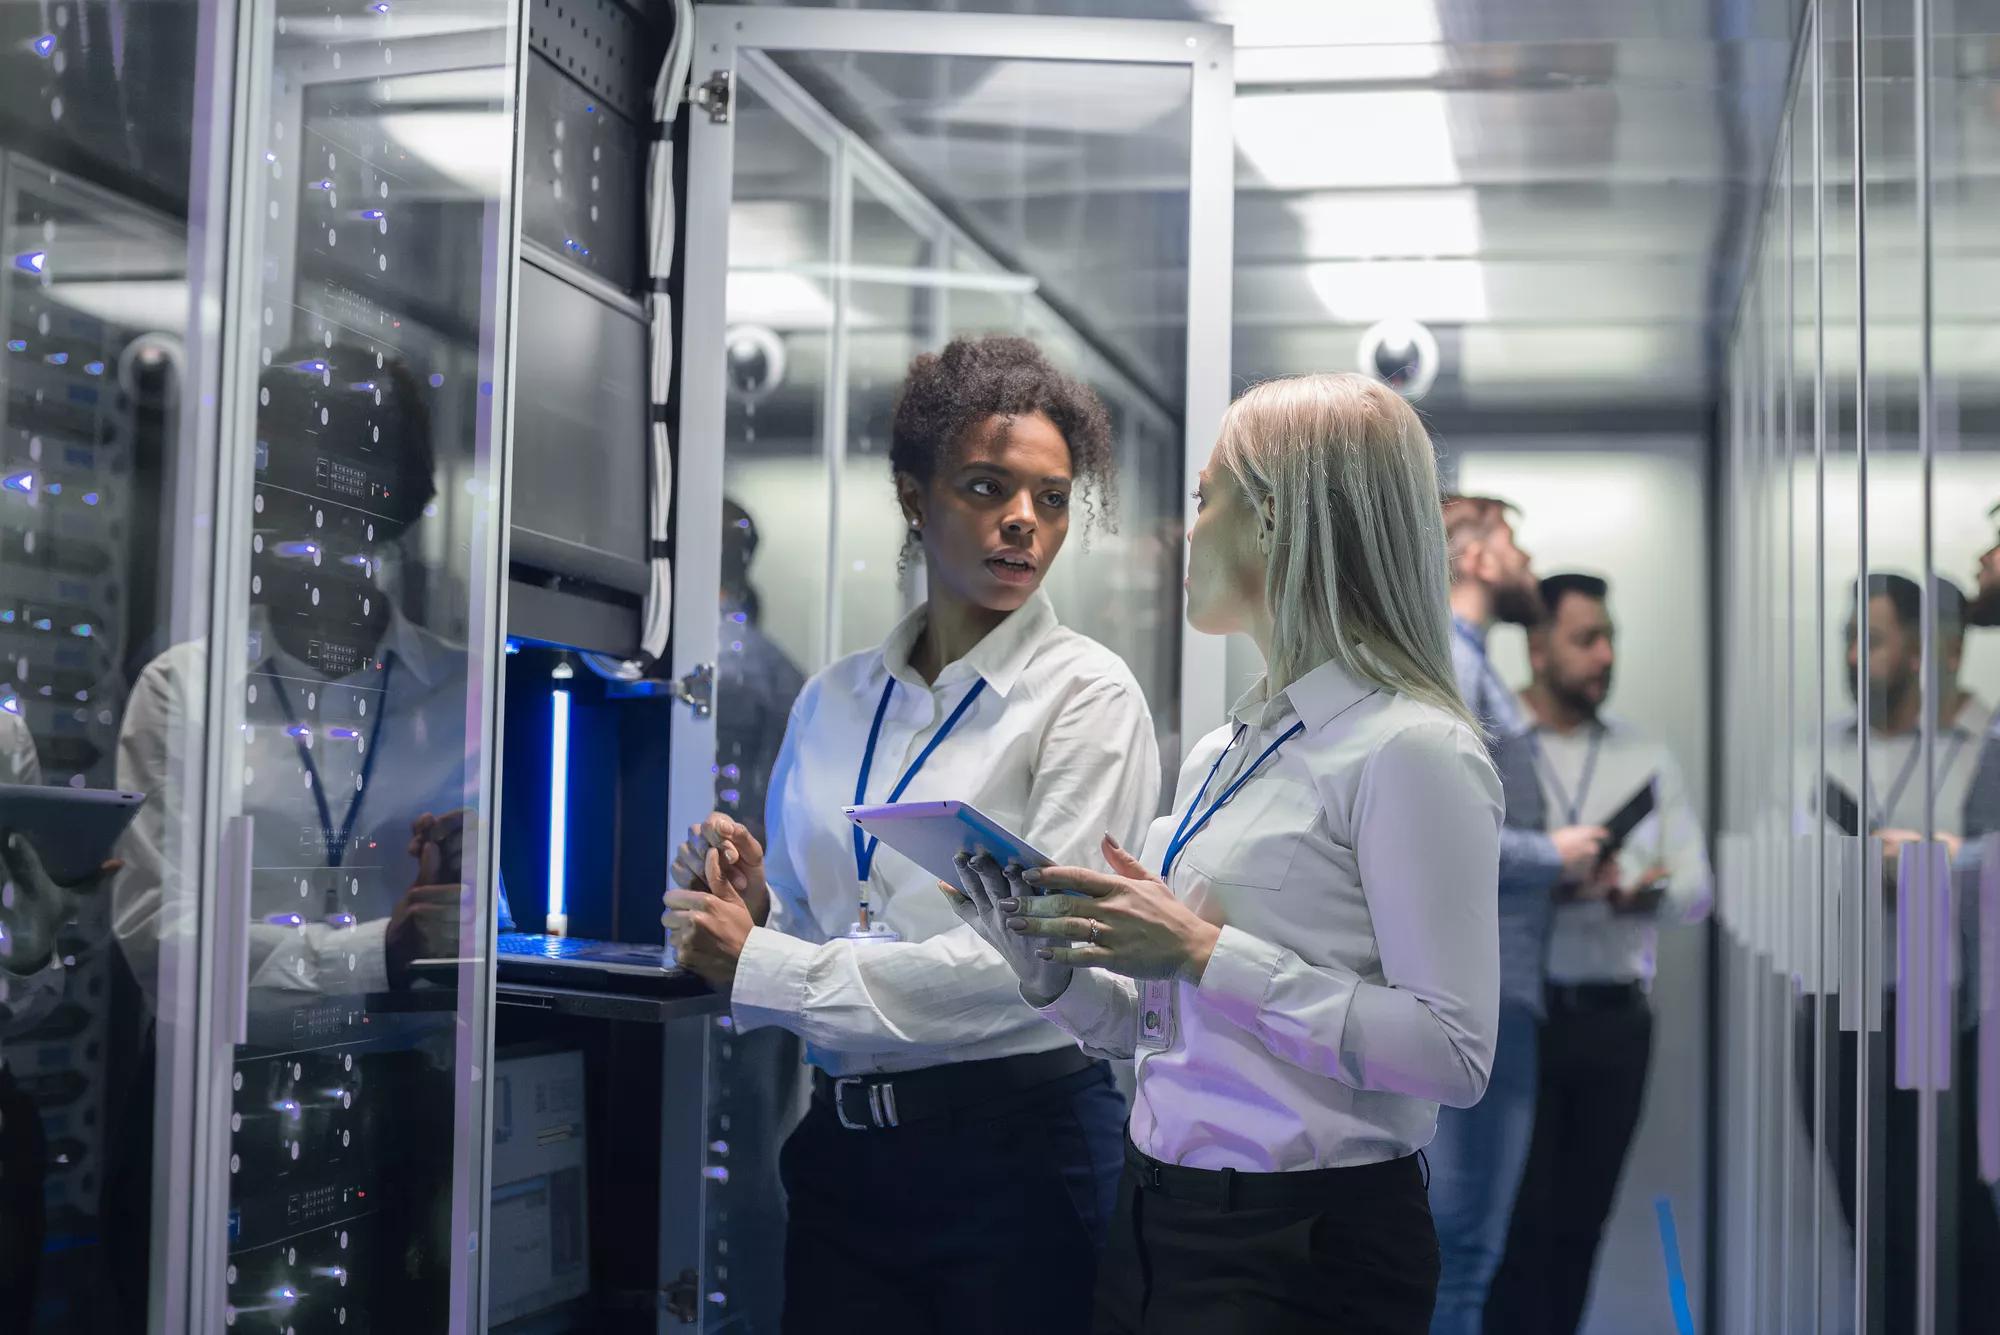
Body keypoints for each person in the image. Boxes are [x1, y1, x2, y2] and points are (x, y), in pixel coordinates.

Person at [949, 371, 1501, 1334]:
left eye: (1207, 497)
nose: (1185, 528)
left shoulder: (1412, 749)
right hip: (1157, 1216)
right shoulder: (1225, 750)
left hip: (1308, 1248)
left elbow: (1453, 1057)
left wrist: (1205, 952)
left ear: (1278, 523)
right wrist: (1047, 970)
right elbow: (1155, 1028)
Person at [662, 335, 1160, 1335]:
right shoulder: (832, 698)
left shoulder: (1084, 696)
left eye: (1052, 500)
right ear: (911, 496)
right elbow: (819, 919)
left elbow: (1024, 967)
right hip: (842, 1159)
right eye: (987, 487)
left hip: (1021, 1160)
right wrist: (763, 911)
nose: (1023, 521)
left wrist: (762, 966)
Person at [1485, 573, 1712, 1335]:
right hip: (1517, 1015)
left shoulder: (1644, 756)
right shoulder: (1490, 743)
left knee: (1578, 1230)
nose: (1605, 655)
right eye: (1587, 639)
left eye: (1610, 636)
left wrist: (1643, 892)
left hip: (1614, 1022)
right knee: (1510, 1229)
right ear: (1538, 644)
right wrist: (1542, 873)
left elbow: (1698, 888)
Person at [1427, 495, 1608, 1335]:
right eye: (1515, 543)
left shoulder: (1470, 663)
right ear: (1476, 559)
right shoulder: (1456, 669)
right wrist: (1554, 855)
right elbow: (1443, 836)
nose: (1528, 561)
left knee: (1468, 1248)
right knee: (1462, 1246)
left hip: (1502, 980)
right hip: (1484, 990)